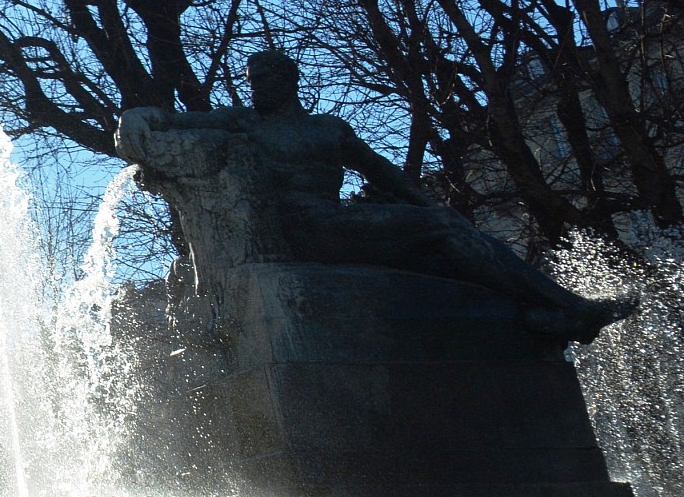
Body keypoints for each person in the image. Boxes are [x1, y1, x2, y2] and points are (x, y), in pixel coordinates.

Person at [116, 48, 635, 342]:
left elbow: (388, 175)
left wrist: (431, 208)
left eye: (266, 77)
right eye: (252, 78)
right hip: (299, 227)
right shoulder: (244, 122)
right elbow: (177, 121)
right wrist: (140, 116)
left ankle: (544, 316)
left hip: (338, 223)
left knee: (445, 244)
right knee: (443, 229)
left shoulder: (330, 129)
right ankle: (568, 308)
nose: (257, 85)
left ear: (290, 79)